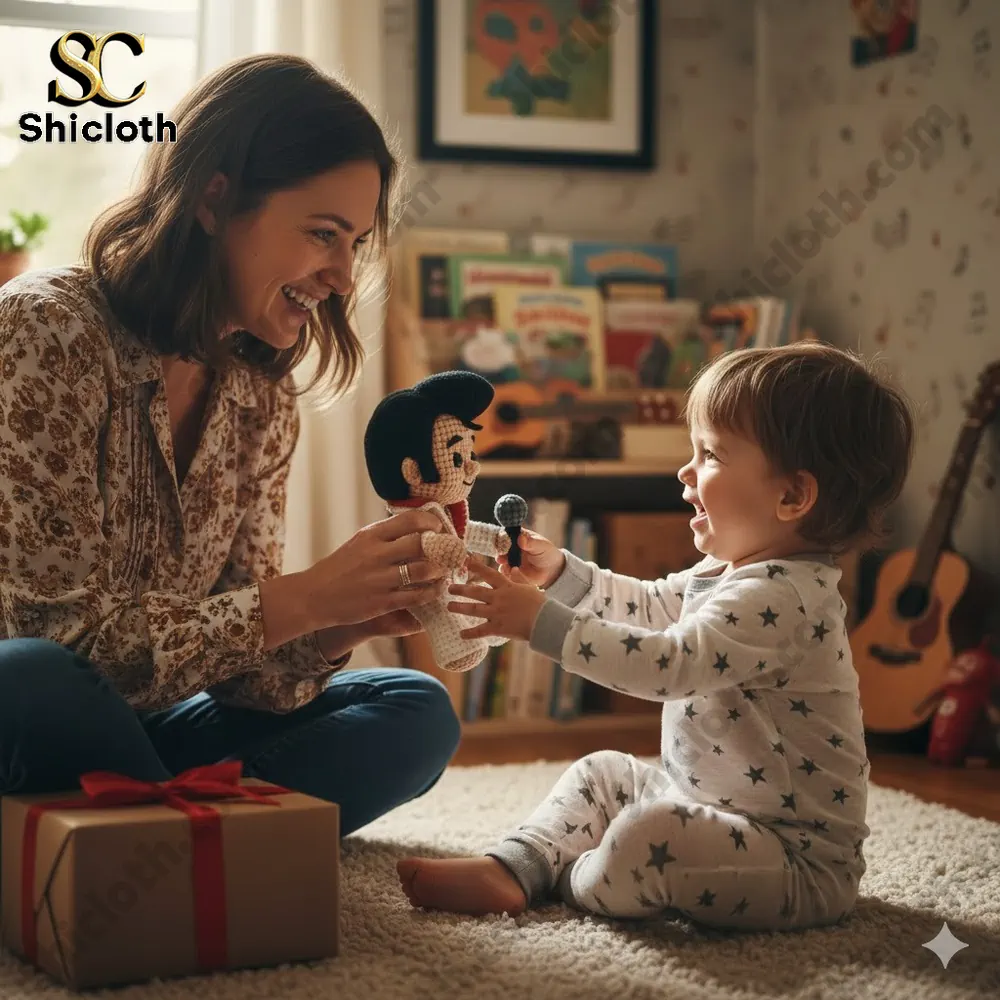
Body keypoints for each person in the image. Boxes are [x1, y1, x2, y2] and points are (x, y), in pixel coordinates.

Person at [0, 54, 461, 838]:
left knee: (413, 709)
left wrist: (340, 620)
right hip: (34, 719)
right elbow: (59, 638)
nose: (343, 277)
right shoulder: (44, 333)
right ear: (215, 200)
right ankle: (205, 841)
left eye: (353, 243)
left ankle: (138, 839)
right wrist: (306, 596)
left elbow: (245, 676)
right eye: (322, 234)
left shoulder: (260, 392)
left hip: (139, 734)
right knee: (32, 677)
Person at [398, 342, 915, 931]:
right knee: (602, 773)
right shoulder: (725, 573)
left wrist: (537, 621)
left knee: (649, 837)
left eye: (711, 455)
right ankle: (515, 865)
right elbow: (647, 606)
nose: (684, 471)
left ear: (792, 496)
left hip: (792, 861)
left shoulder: (785, 598)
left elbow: (670, 664)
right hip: (704, 803)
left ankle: (569, 880)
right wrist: (563, 574)